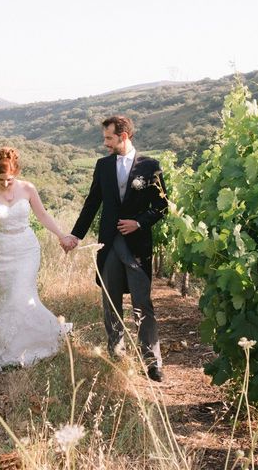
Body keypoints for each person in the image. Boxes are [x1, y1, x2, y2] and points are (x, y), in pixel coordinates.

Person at [63, 116, 168, 382]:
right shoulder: (103, 165)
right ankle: (116, 351)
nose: (105, 143)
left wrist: (139, 223)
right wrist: (76, 235)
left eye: (109, 138)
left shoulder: (150, 166)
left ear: (124, 136)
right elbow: (92, 204)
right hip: (108, 243)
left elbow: (162, 206)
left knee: (142, 303)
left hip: (137, 246)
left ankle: (152, 362)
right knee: (110, 301)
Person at [0, 147, 73, 371]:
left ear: (17, 172)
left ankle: (28, 345)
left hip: (26, 249)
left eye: (9, 179)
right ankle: (3, 343)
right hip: (2, 250)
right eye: (0, 179)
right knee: (5, 298)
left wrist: (61, 235)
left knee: (22, 294)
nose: (4, 183)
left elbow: (42, 215)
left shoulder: (28, 188)